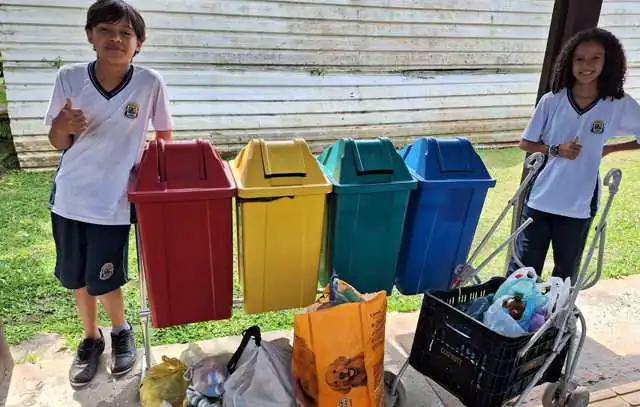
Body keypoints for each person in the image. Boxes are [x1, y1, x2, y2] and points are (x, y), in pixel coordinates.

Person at [44, 0, 172, 388]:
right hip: (69, 197)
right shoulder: (69, 78)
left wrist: (144, 166)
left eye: (125, 33)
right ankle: (90, 337)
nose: (115, 38)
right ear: (90, 36)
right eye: (105, 30)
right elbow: (55, 140)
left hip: (113, 203)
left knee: (107, 277)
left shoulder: (149, 83)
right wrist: (64, 124)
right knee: (76, 277)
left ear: (139, 43)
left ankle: (120, 332)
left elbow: (163, 136)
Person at [508, 27, 640, 282]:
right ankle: (512, 320)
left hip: (578, 207)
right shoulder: (552, 101)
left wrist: (610, 148)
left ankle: (556, 322)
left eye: (595, 58)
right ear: (569, 61)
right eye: (579, 58)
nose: (586, 65)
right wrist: (557, 149)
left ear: (608, 61)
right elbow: (526, 143)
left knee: (565, 276)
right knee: (522, 272)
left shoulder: (618, 104)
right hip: (540, 201)